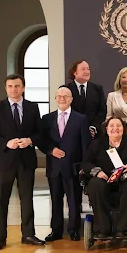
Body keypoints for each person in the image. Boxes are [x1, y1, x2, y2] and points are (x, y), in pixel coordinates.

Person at [0, 74, 45, 251]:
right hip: (3, 162)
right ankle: (0, 238)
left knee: (27, 199)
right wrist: (6, 143)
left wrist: (30, 140)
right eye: (10, 86)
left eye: (17, 86)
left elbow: (40, 133)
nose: (14, 89)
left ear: (23, 88)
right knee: (2, 201)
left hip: (26, 161)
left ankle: (28, 234)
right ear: (6, 88)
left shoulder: (33, 108)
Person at [82, 117, 127, 239]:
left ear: (123, 128)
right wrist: (97, 172)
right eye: (111, 126)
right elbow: (86, 163)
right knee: (95, 184)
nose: (115, 129)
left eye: (118, 126)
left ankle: (123, 228)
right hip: (104, 179)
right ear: (106, 129)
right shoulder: (97, 144)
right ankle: (103, 229)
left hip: (125, 179)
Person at [40, 87, 91, 242]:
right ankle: (56, 231)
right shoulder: (47, 119)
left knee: (74, 200)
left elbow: (85, 145)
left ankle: (74, 229)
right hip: (54, 166)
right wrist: (51, 150)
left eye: (65, 96)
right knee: (55, 200)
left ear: (71, 99)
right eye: (59, 96)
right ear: (55, 98)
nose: (62, 99)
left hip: (73, 167)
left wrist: (83, 166)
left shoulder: (80, 119)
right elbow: (42, 141)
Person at [66, 60, 106, 139]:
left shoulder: (97, 89)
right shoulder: (66, 89)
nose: (87, 71)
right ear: (74, 72)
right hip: (72, 134)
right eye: (83, 69)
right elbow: (64, 111)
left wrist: (93, 127)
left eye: (88, 69)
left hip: (94, 135)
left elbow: (102, 111)